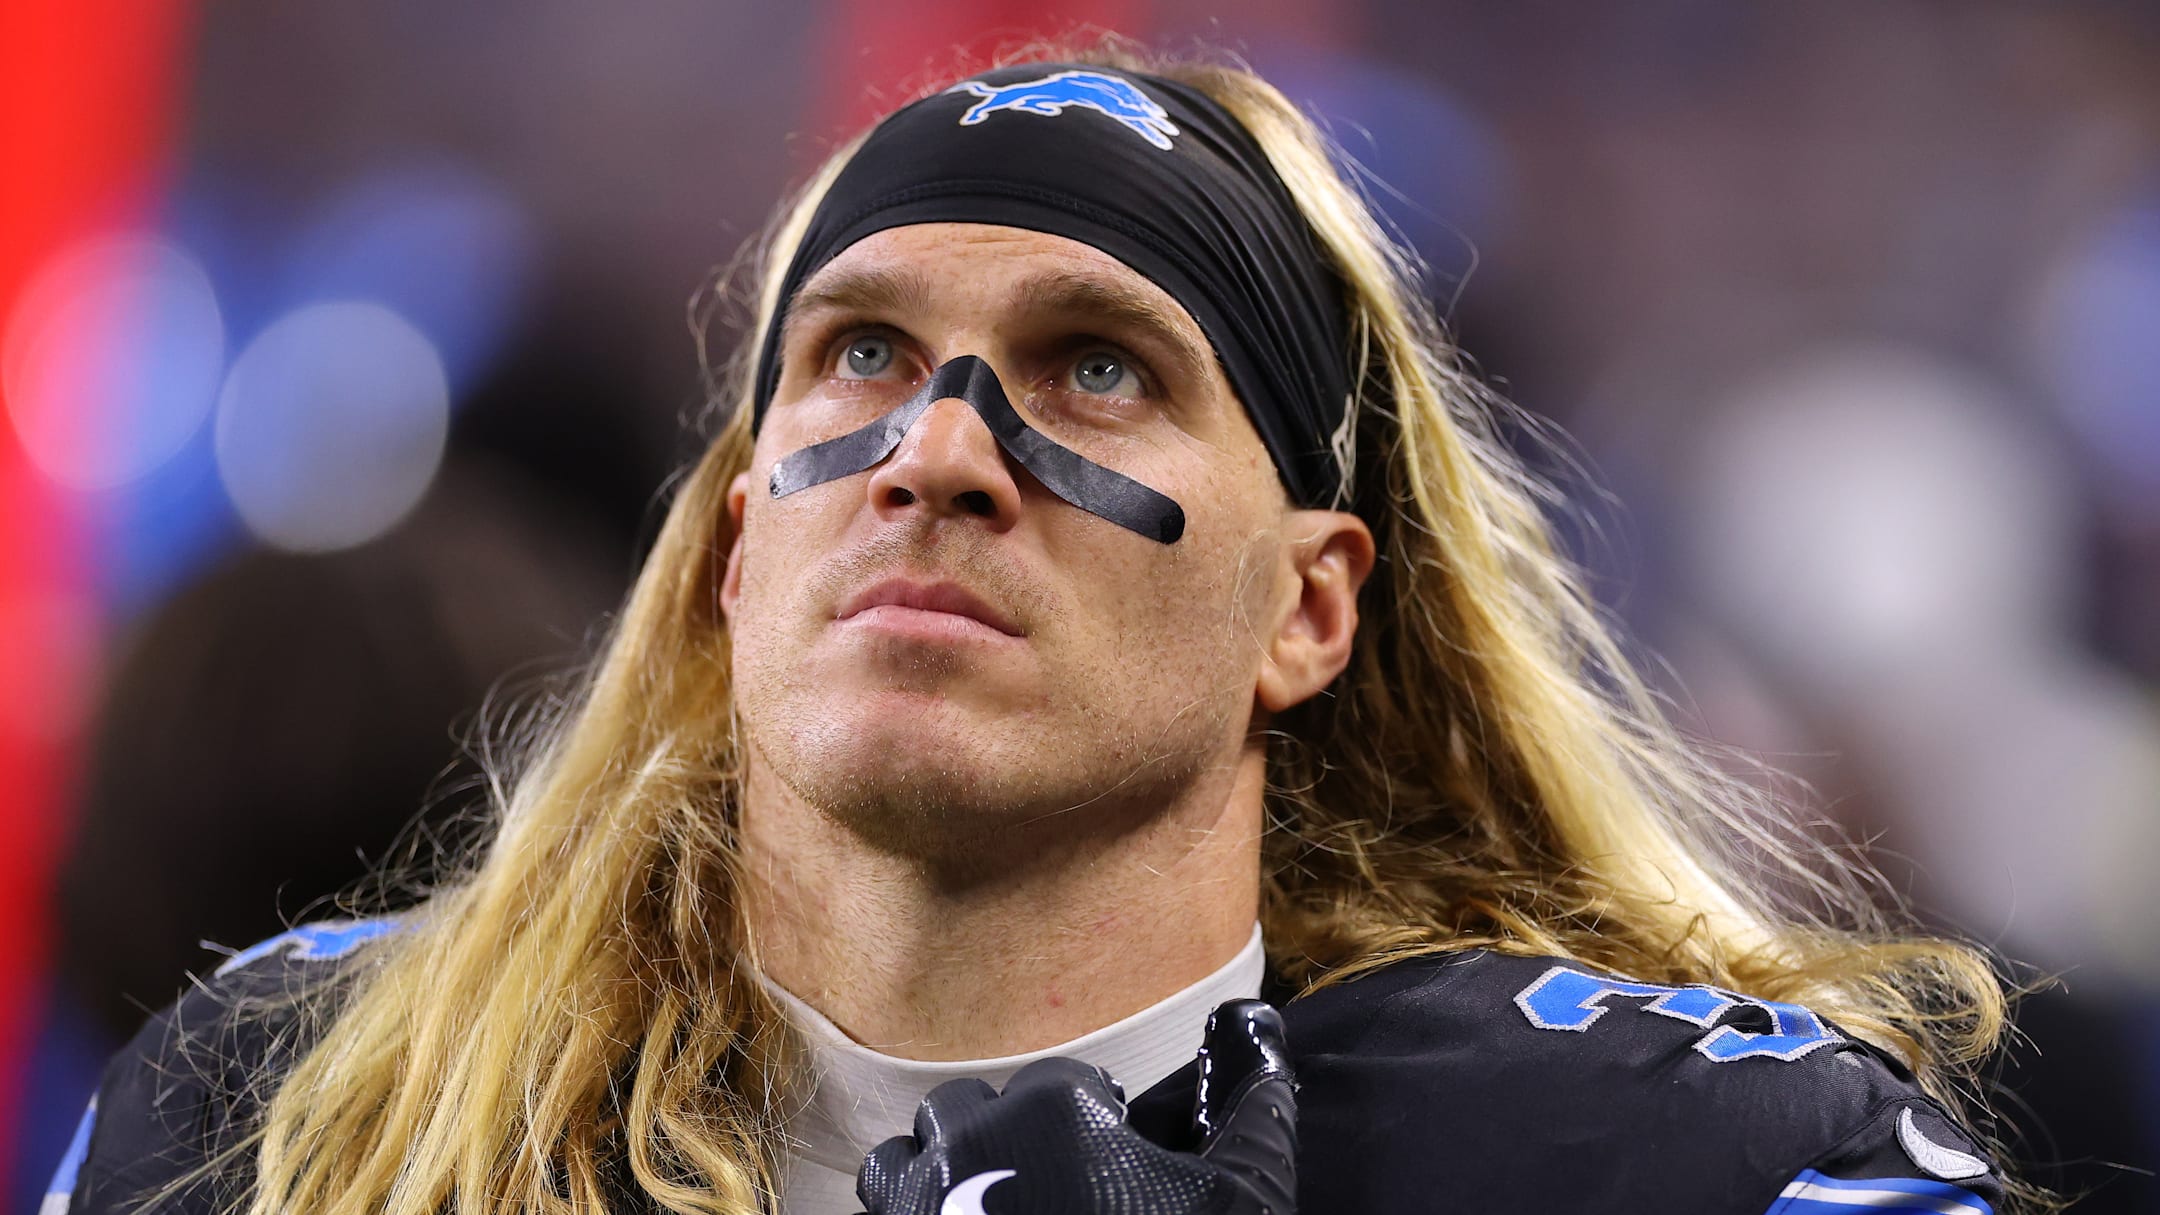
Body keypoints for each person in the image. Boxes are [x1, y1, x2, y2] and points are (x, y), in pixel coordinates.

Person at [47, 40, 2029, 1215]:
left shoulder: (1688, 1162)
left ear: (1307, 607)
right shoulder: (294, 1110)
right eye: (860, 353)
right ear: (737, 549)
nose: (940, 451)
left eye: (1097, 367)